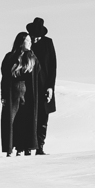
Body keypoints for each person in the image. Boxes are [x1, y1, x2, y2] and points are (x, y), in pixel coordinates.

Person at [0, 32, 36, 155]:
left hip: (27, 92)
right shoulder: (10, 57)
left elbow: (36, 76)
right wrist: (3, 95)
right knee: (11, 120)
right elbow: (4, 77)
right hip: (12, 91)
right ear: (21, 42)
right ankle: (9, 149)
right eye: (28, 40)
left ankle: (22, 148)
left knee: (24, 120)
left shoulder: (31, 57)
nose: (30, 43)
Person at [26, 17, 57, 152]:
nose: (36, 39)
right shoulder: (26, 44)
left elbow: (52, 66)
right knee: (28, 117)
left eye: (38, 36)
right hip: (29, 86)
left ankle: (40, 146)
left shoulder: (48, 43)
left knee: (43, 118)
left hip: (44, 86)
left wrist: (50, 87)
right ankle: (27, 147)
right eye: (34, 36)